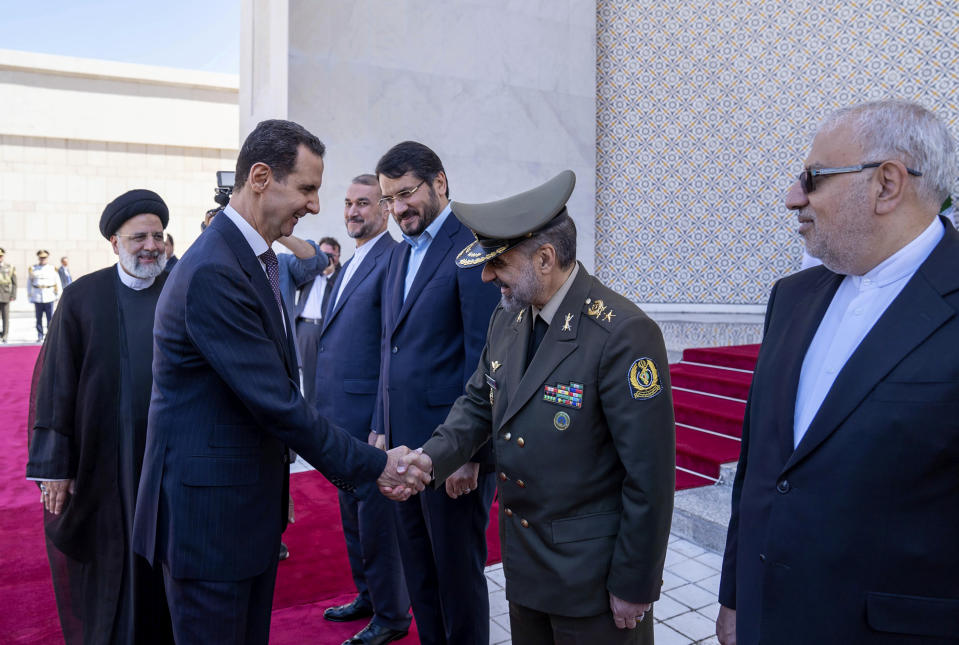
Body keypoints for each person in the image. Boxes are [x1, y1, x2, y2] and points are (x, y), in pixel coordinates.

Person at [132, 119, 429, 645]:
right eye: (308, 189)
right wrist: (378, 464)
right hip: (210, 528)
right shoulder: (214, 271)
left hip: (241, 515)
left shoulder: (251, 257)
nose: (316, 207)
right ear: (262, 177)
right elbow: (276, 403)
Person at [716, 100, 959, 645]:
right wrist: (735, 598)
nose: (792, 197)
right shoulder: (792, 296)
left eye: (813, 178)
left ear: (887, 184)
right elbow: (759, 469)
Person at [413, 170, 675, 644]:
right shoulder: (509, 316)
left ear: (546, 258)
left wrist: (636, 584)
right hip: (526, 566)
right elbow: (478, 401)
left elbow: (650, 476)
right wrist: (428, 460)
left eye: (500, 264)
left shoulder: (622, 334)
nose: (488, 276)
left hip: (592, 584)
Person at [26, 189, 174, 644]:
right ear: (114, 242)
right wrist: (55, 467)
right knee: (114, 562)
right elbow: (55, 385)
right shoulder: (81, 297)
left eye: (158, 236)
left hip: (171, 459)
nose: (151, 246)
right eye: (139, 237)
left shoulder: (182, 288)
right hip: (104, 461)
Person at [374, 141, 501, 645]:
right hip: (403, 451)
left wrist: (470, 454)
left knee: (456, 578)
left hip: (452, 455)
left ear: (439, 183)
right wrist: (381, 424)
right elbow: (393, 347)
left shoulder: (472, 248)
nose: (397, 208)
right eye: (388, 199)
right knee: (419, 572)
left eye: (405, 194)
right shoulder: (398, 253)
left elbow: (486, 358)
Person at [311, 175, 409, 645]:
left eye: (364, 203)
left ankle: (392, 615)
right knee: (352, 516)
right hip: (338, 422)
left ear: (385, 210)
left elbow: (391, 349)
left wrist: (379, 424)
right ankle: (367, 596)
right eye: (348, 203)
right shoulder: (349, 262)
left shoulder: (393, 260)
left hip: (369, 425)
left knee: (377, 524)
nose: (352, 211)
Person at [293, 236, 342, 404]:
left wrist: (330, 275)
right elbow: (295, 279)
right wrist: (315, 265)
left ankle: (324, 412)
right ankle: (308, 411)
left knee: (327, 373)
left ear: (337, 257)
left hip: (328, 330)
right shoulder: (309, 272)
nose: (327, 259)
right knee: (306, 376)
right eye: (323, 255)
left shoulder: (340, 276)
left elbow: (341, 296)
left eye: (331, 255)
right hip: (305, 328)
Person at [27, 249, 61, 342]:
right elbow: (29, 283)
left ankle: (49, 336)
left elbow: (57, 282)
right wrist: (30, 296)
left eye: (44, 258)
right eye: (41, 258)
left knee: (50, 318)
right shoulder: (33, 269)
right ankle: (40, 335)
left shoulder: (52, 268)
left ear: (47, 258)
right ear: (38, 258)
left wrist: (58, 295)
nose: (43, 259)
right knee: (38, 318)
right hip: (37, 296)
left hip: (49, 296)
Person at [0, 247, 15, 342]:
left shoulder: (9, 267)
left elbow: (14, 283)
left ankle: (5, 335)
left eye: (0, 256)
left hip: (5, 295)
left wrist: (13, 295)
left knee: (5, 317)